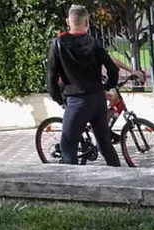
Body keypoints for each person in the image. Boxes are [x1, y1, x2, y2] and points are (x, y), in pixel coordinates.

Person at [46, 4, 121, 167]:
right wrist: (107, 86)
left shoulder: (58, 44)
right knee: (105, 144)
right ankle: (121, 179)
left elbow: (51, 78)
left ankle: (72, 187)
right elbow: (113, 69)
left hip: (76, 100)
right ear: (86, 22)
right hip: (97, 99)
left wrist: (60, 99)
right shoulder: (94, 43)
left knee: (68, 145)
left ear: (68, 21)